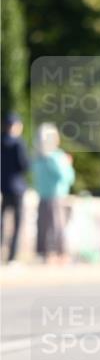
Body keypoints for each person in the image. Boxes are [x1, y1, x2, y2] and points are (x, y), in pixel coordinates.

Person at [32, 123, 75, 262]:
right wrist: (68, 165)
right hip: (56, 195)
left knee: (44, 226)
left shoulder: (38, 157)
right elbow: (67, 177)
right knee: (57, 226)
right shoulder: (56, 157)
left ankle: (44, 253)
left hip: (45, 194)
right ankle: (59, 253)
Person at [1, 111, 30, 263]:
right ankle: (12, 256)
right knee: (17, 223)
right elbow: (24, 165)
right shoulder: (19, 143)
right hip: (17, 187)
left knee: (2, 220)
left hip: (3, 186)